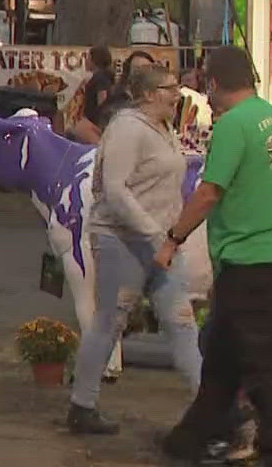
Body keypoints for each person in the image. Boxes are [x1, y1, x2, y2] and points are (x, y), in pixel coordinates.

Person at [156, 46, 272, 467]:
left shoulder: (231, 127)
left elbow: (209, 191)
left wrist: (173, 238)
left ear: (215, 83)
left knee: (264, 365)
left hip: (247, 255)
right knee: (221, 359)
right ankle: (189, 440)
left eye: (206, 82)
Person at [66, 63, 199, 435]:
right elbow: (115, 189)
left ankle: (209, 406)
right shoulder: (127, 128)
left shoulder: (165, 128)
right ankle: (82, 404)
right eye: (171, 89)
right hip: (121, 240)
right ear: (149, 94)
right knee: (110, 322)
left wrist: (168, 238)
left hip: (163, 244)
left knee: (182, 322)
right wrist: (155, 236)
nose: (179, 95)